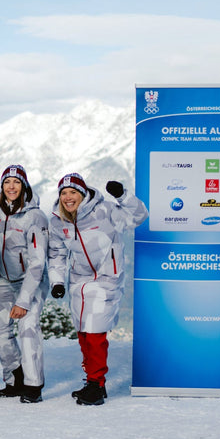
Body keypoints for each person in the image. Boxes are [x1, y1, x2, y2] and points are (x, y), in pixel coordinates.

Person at [48, 172, 148, 405]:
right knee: (83, 334)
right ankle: (92, 382)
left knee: (94, 334)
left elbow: (140, 216)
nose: (68, 197)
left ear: (82, 194)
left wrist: (123, 196)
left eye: (73, 192)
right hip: (78, 282)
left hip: (107, 279)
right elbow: (57, 253)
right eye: (64, 193)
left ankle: (97, 383)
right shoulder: (58, 221)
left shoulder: (105, 211)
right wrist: (57, 281)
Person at [0, 165, 49, 403]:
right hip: (2, 277)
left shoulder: (35, 216)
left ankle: (34, 385)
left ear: (24, 186)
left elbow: (37, 262)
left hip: (30, 280)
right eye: (7, 182)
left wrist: (23, 301)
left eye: (16, 182)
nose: (11, 187)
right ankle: (15, 377)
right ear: (2, 186)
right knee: (0, 330)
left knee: (27, 327)